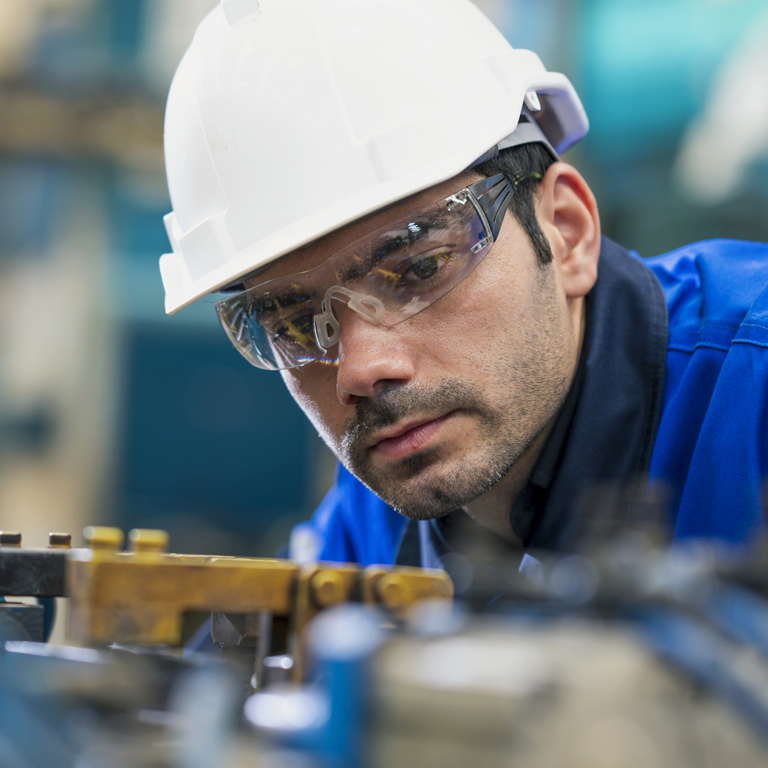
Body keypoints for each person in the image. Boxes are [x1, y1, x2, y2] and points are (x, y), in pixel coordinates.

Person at [159, 0, 768, 572]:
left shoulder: (750, 396)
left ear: (566, 232)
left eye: (419, 269)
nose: (360, 370)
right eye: (292, 324)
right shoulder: (378, 510)